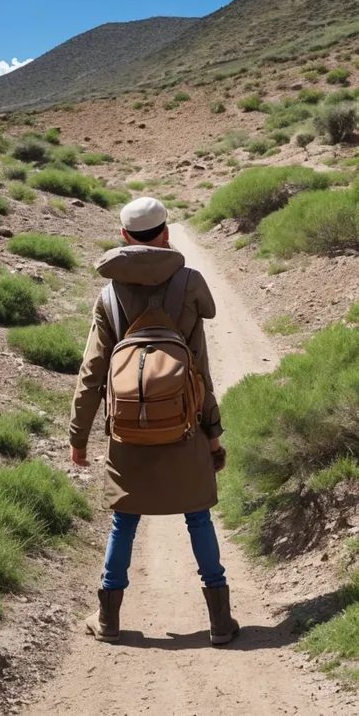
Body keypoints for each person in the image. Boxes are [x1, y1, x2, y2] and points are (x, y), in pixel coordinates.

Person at [69, 197, 239, 646]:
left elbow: (92, 374)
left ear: (125, 237)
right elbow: (199, 370)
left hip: (128, 432)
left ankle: (108, 620)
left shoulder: (108, 295)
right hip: (184, 426)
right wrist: (214, 437)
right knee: (198, 517)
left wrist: (78, 437)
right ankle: (220, 622)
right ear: (166, 233)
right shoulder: (189, 282)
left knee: (124, 521)